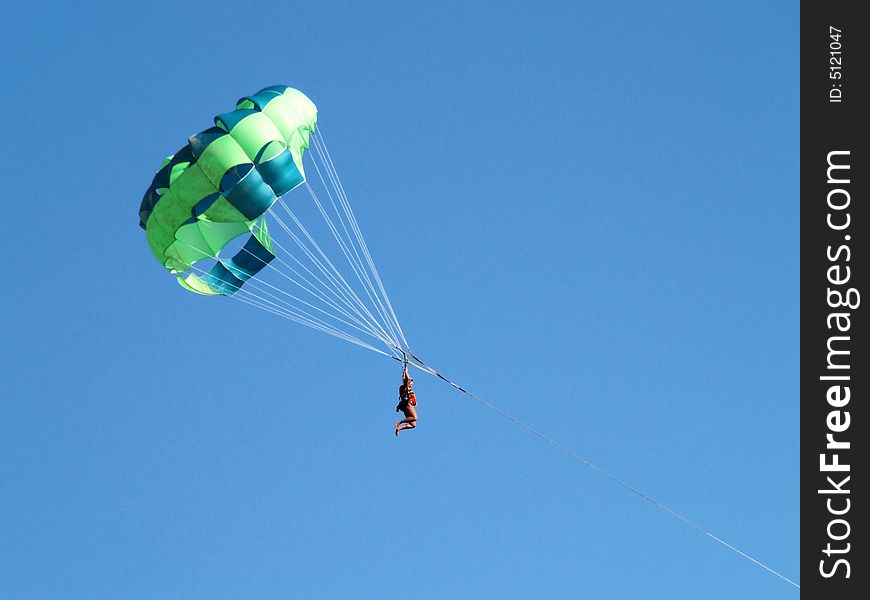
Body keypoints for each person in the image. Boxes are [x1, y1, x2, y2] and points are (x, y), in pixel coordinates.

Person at [395, 365, 417, 435]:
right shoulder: (404, 387)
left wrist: (405, 373)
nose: (411, 385)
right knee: (414, 417)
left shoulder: (406, 388)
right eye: (411, 384)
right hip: (407, 404)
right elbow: (407, 380)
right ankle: (400, 422)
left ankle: (399, 428)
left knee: (413, 425)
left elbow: (406, 380)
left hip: (406, 406)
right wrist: (406, 372)